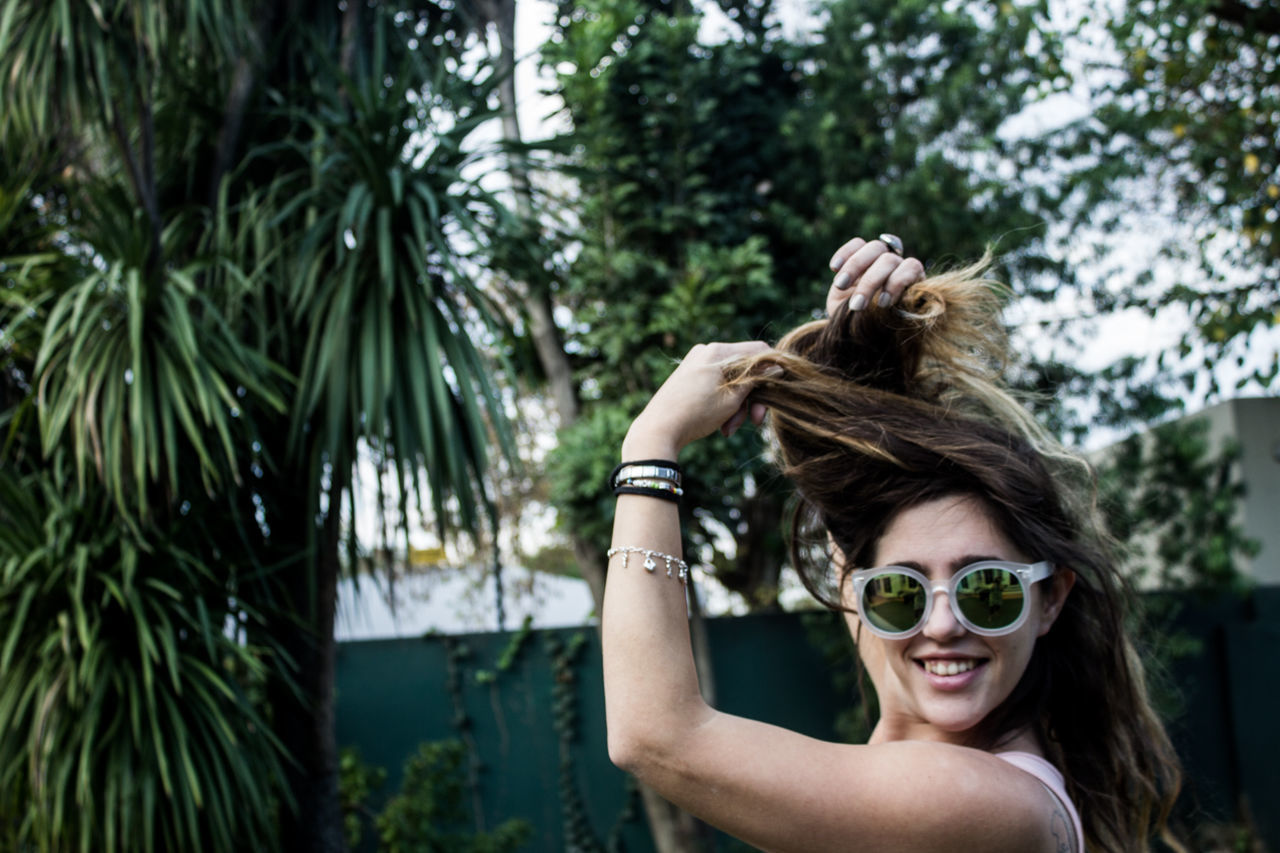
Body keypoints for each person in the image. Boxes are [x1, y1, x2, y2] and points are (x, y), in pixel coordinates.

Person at [601, 235, 1183, 853]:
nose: (940, 624)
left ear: (1049, 601)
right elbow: (851, 511)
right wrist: (862, 363)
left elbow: (656, 735)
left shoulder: (991, 803)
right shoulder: (919, 710)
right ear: (859, 596)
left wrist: (651, 446)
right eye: (900, 593)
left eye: (986, 589)